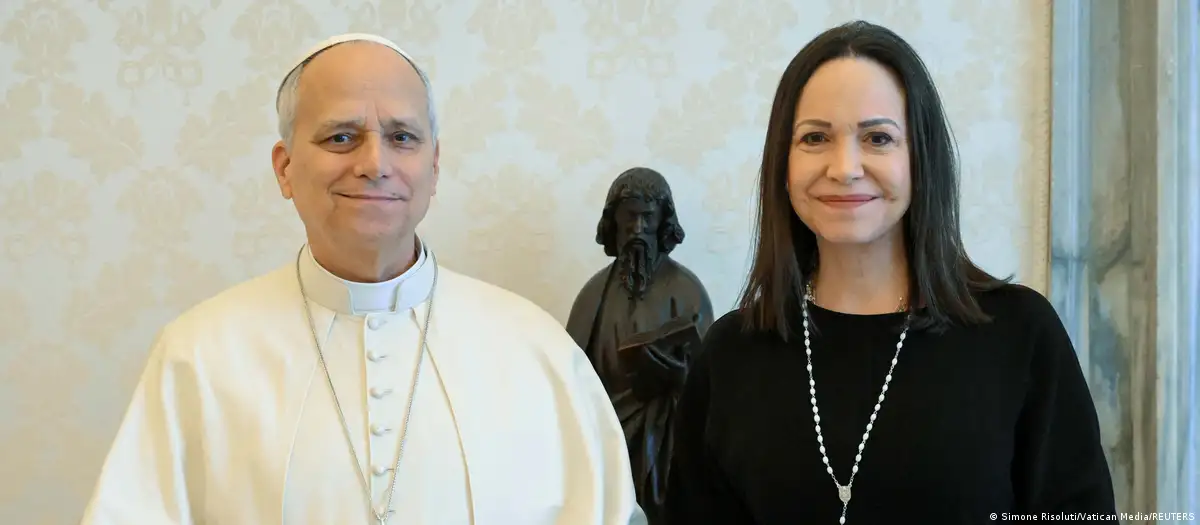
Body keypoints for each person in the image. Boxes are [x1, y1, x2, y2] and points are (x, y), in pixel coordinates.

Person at [80, 33, 647, 525]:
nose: (375, 164)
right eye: (341, 137)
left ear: (434, 166)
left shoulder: (536, 350)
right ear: (284, 167)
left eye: (402, 137)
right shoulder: (198, 355)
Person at [664, 21, 1117, 525]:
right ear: (783, 165)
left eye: (878, 137)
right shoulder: (729, 355)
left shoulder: (1020, 334)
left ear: (921, 158)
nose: (845, 168)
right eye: (815, 137)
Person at [565, 166, 715, 525]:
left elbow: (712, 389)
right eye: (629, 217)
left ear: (663, 222)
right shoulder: (593, 295)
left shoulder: (688, 292)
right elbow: (570, 380)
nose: (637, 228)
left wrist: (678, 379)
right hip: (605, 441)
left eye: (647, 218)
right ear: (613, 222)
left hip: (667, 447)